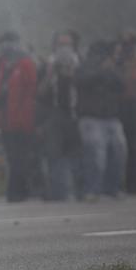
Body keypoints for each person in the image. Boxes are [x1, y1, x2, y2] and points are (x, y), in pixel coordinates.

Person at [75, 41, 128, 201]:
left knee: (119, 153)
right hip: (91, 118)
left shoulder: (113, 68)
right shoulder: (84, 67)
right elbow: (81, 81)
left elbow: (122, 85)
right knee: (95, 156)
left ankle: (112, 188)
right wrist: (101, 71)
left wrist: (111, 70)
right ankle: (92, 189)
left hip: (111, 117)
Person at [0, 31, 38, 203]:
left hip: (22, 118)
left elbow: (31, 91)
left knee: (20, 156)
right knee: (12, 156)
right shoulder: (1, 63)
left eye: (6, 42)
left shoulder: (26, 63)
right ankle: (18, 190)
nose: (4, 46)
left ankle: (18, 191)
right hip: (6, 119)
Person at [36, 44, 79, 201]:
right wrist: (50, 73)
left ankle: (73, 190)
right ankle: (57, 191)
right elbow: (40, 95)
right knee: (54, 156)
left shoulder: (77, 77)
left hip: (73, 117)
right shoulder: (52, 78)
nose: (65, 68)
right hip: (55, 118)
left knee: (73, 155)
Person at [116, 31, 136, 193]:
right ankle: (121, 183)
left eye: (131, 45)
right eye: (126, 45)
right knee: (121, 147)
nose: (129, 48)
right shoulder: (117, 63)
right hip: (121, 107)